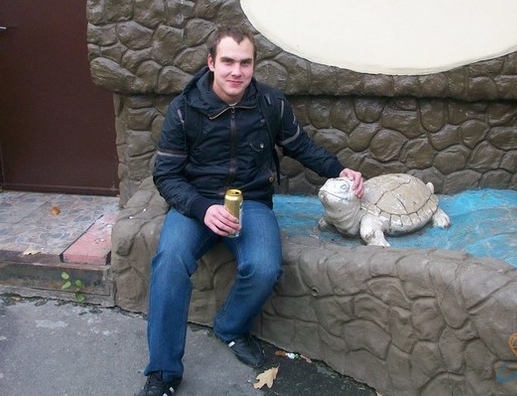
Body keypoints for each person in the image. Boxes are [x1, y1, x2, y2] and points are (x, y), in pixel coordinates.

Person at [138, 25, 364, 395]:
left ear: (254, 65)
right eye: (228, 61)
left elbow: (301, 146)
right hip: (196, 204)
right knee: (169, 262)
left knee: (264, 268)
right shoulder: (184, 109)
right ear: (211, 63)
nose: (236, 71)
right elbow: (166, 174)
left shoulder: (270, 104)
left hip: (251, 201)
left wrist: (340, 170)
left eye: (245, 63)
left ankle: (229, 326)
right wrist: (202, 208)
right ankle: (163, 372)